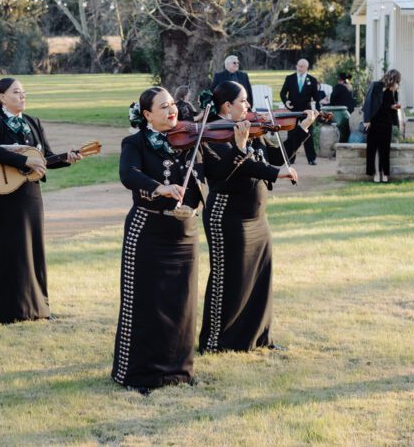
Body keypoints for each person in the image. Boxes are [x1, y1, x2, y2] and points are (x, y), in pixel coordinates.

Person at [198, 81, 315, 353]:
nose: (249, 107)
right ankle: (216, 342)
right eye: (244, 101)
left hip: (256, 217)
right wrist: (272, 171)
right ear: (228, 105)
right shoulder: (212, 132)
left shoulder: (249, 126)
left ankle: (258, 338)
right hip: (227, 216)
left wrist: (302, 129)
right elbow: (227, 171)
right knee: (229, 279)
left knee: (260, 276)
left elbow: (273, 155)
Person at [112, 87, 206, 393]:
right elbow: (128, 174)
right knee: (147, 302)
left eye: (173, 105)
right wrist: (158, 187)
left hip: (184, 232)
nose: (172, 110)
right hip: (148, 231)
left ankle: (180, 370)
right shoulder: (134, 142)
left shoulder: (188, 140)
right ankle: (140, 375)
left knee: (182, 302)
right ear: (147, 114)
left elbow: (211, 172)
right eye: (163, 107)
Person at [0, 78, 82, 324]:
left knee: (32, 247)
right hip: (2, 193)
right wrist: (24, 162)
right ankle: (2, 310)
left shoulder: (32, 122)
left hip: (30, 194)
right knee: (6, 248)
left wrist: (66, 158)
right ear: (2, 97)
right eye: (16, 92)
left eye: (24, 92)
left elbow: (45, 157)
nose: (22, 96)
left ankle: (34, 307)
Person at [279, 59, 324, 165]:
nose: (299, 68)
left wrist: (317, 109)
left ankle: (311, 158)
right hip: (292, 110)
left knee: (308, 134)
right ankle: (290, 158)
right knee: (291, 134)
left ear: (307, 68)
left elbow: (316, 97)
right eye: (298, 66)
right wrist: (286, 102)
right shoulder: (290, 78)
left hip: (306, 111)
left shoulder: (312, 80)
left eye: (302, 66)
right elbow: (282, 93)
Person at [362, 69, 401, 183]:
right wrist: (367, 120)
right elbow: (368, 102)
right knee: (373, 149)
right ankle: (375, 173)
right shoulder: (376, 86)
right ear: (392, 79)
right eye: (396, 81)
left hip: (386, 122)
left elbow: (389, 105)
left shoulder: (393, 91)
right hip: (374, 122)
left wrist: (394, 107)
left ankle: (384, 173)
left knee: (385, 149)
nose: (397, 84)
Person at [329, 71, 357, 143]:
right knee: (348, 129)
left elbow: (333, 98)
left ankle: (340, 144)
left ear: (340, 80)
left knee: (340, 130)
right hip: (350, 111)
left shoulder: (338, 87)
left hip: (341, 111)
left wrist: (330, 106)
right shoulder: (350, 87)